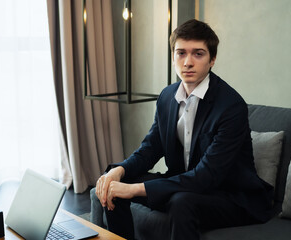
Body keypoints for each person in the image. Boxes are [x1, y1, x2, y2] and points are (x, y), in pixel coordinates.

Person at [93, 19, 273, 240]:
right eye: (181, 53)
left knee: (181, 202)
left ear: (212, 60)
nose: (188, 62)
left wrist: (135, 189)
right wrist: (119, 171)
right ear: (173, 57)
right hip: (184, 184)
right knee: (115, 185)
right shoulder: (167, 97)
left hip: (230, 195)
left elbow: (206, 176)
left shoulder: (231, 106)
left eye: (198, 54)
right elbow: (150, 148)